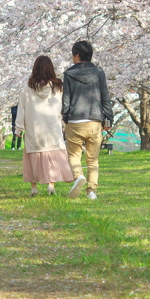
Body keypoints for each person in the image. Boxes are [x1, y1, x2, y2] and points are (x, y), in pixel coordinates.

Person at [17, 56, 81, 197]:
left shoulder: (27, 88)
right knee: (52, 157)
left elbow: (21, 108)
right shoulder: (58, 87)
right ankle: (51, 185)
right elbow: (65, 107)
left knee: (33, 157)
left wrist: (18, 128)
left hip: (34, 129)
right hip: (53, 128)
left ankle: (34, 188)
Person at [62, 40, 112, 200]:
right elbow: (105, 97)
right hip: (95, 121)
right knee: (93, 159)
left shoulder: (69, 74)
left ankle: (78, 177)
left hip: (75, 121)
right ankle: (91, 191)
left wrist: (65, 116)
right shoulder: (99, 73)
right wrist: (108, 118)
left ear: (77, 55)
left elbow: (66, 100)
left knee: (74, 155)